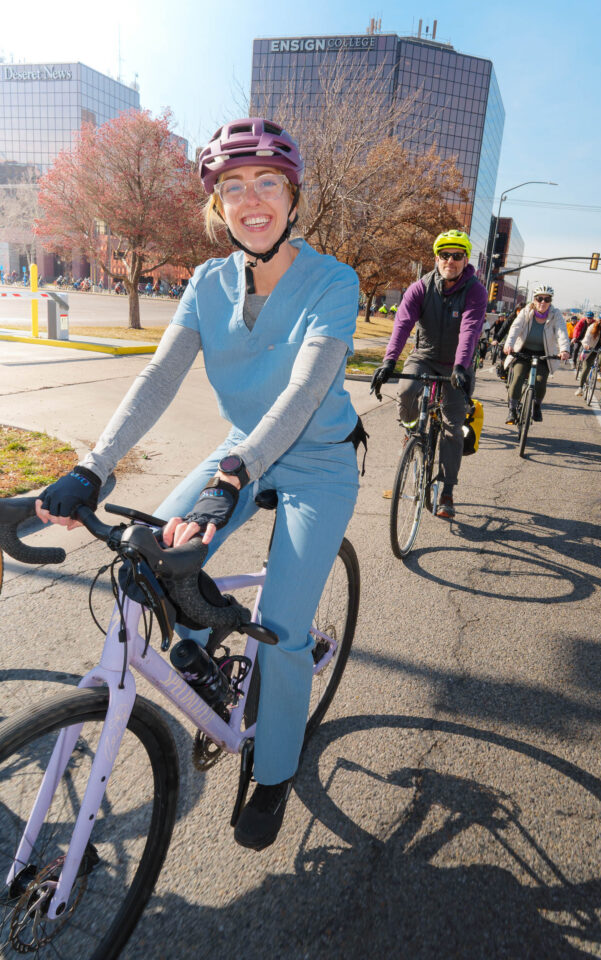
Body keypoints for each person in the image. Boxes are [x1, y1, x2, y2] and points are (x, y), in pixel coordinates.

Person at [34, 117, 363, 852]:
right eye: (232, 187)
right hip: (235, 456)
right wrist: (95, 465)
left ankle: (275, 768)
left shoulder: (335, 281)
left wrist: (235, 474)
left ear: (293, 197)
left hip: (313, 464)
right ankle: (199, 653)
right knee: (145, 561)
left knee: (279, 627)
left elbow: (306, 390)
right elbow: (157, 377)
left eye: (267, 183)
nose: (252, 200)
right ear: (218, 205)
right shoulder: (209, 284)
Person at [370, 229, 487, 519]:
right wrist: (388, 362)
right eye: (445, 255)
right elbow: (402, 325)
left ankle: (447, 490)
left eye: (457, 255)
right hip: (424, 355)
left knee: (452, 426)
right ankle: (411, 433)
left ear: (465, 259)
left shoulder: (475, 290)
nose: (450, 260)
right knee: (407, 391)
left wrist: (461, 367)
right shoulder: (419, 288)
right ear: (436, 258)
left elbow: (469, 331)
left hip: (456, 365)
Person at [503, 284, 570, 424]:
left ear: (551, 301)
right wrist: (509, 344)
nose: (543, 302)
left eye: (547, 299)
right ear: (534, 300)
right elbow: (515, 328)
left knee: (540, 382)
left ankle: (537, 406)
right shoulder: (526, 311)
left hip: (543, 355)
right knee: (518, 377)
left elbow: (561, 332)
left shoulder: (555, 314)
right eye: (540, 299)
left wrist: (564, 349)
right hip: (523, 352)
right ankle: (512, 409)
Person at [574, 311, 601, 396]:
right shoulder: (592, 327)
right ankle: (580, 388)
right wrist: (586, 345)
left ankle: (598, 373)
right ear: (600, 320)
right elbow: (586, 338)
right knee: (586, 367)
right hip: (590, 348)